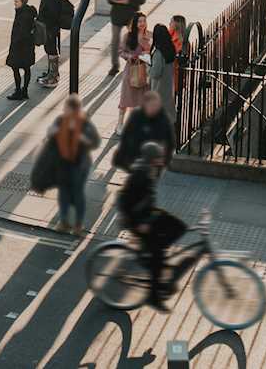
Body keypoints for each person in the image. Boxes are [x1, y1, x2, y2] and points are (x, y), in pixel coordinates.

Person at [118, 140, 187, 311]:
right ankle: (153, 297)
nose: (162, 158)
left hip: (148, 213)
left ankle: (157, 256)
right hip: (138, 220)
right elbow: (125, 201)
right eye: (159, 156)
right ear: (152, 159)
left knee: (179, 226)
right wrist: (139, 223)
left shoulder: (150, 169)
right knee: (157, 253)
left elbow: (147, 198)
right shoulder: (139, 174)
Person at [48, 94, 101, 234]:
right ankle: (64, 222)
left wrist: (84, 139)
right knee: (63, 193)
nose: (65, 111)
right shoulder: (60, 120)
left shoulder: (85, 124)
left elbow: (95, 142)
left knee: (77, 194)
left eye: (67, 109)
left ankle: (78, 224)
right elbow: (50, 135)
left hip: (80, 165)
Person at [114, 90, 174, 171]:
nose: (154, 108)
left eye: (156, 106)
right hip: (137, 155)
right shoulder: (136, 115)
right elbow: (126, 137)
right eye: (152, 106)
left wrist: (165, 160)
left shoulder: (163, 117)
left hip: (154, 156)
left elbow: (170, 141)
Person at [105, 0, 145, 77]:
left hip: (131, 15)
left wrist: (128, 1)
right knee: (115, 41)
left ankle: (133, 61)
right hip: (117, 15)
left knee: (134, 40)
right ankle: (115, 66)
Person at [116, 12, 151, 130]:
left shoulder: (150, 35)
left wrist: (149, 54)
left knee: (143, 99)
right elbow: (120, 51)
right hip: (131, 70)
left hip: (146, 70)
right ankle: (120, 123)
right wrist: (131, 56)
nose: (142, 24)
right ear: (135, 23)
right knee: (126, 97)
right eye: (140, 21)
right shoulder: (128, 36)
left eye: (144, 21)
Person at [5, 0, 38, 101]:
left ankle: (19, 91)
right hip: (28, 47)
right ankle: (24, 91)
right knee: (27, 68)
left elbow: (22, 32)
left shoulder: (23, 15)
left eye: (16, 2)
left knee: (15, 68)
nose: (14, 4)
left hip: (20, 47)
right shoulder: (28, 11)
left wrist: (15, 42)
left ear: (22, 2)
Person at [36, 0, 63, 88]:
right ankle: (50, 74)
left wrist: (46, 25)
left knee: (52, 51)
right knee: (49, 50)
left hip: (50, 29)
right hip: (48, 29)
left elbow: (52, 15)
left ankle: (54, 77)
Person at [148, 25, 176, 118]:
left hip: (158, 88)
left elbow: (155, 73)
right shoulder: (171, 49)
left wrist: (148, 67)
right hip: (168, 86)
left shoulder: (159, 53)